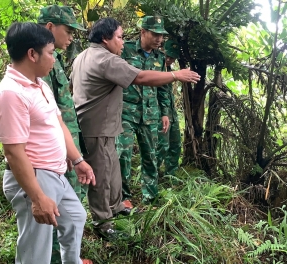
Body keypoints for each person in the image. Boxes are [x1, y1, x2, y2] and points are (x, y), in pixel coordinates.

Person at [70, 17, 200, 240]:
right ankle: (103, 223)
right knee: (100, 176)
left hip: (104, 126)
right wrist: (175, 75)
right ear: (105, 38)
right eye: (119, 37)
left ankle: (116, 206)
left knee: (112, 170)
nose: (122, 42)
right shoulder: (106, 59)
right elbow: (139, 77)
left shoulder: (83, 55)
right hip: (97, 127)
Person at [0, 22, 95, 264]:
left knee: (75, 217)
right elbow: (14, 153)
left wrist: (78, 160)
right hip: (35, 177)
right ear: (32, 54)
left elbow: (59, 125)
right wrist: (37, 197)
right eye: (50, 53)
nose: (53, 59)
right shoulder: (11, 94)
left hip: (55, 173)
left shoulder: (40, 85)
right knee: (36, 250)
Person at [37, 5, 90, 264]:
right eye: (68, 31)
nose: (71, 38)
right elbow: (45, 116)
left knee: (73, 209)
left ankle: (70, 257)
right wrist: (64, 150)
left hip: (65, 142)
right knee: (55, 209)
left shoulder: (54, 57)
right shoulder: (38, 61)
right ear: (49, 28)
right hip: (52, 150)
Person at [117, 15, 171, 208]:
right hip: (126, 111)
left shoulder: (160, 57)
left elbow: (164, 87)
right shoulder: (126, 50)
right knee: (123, 154)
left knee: (151, 155)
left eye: (161, 35)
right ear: (143, 32)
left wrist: (165, 113)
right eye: (155, 34)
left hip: (150, 114)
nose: (159, 39)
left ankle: (150, 195)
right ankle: (123, 196)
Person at [157, 39, 182, 178]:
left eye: (172, 58)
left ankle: (170, 175)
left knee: (176, 144)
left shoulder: (170, 70)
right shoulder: (155, 69)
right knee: (161, 146)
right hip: (159, 114)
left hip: (171, 113)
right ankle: (151, 176)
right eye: (167, 56)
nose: (168, 59)